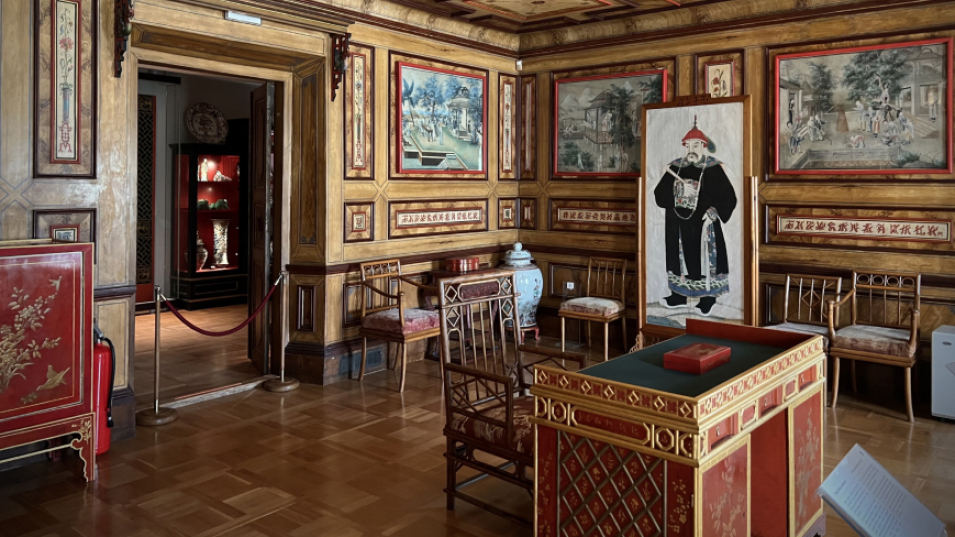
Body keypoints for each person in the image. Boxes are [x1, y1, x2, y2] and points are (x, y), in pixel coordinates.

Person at [654, 116, 737, 316]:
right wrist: (679, 190)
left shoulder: (713, 168)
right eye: (688, 145)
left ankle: (707, 298)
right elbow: (659, 194)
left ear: (704, 146)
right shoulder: (676, 167)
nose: (692, 149)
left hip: (703, 223)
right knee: (679, 259)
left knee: (703, 259)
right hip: (678, 223)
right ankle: (679, 296)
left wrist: (713, 212)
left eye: (696, 145)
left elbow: (729, 197)